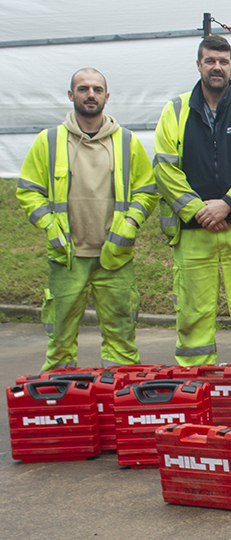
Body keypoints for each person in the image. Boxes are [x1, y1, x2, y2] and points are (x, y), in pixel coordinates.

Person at [17, 68, 158, 371]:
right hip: (67, 258)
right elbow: (29, 190)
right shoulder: (49, 141)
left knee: (122, 342)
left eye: (96, 89)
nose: (90, 95)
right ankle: (62, 407)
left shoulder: (127, 142)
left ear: (107, 97)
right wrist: (50, 227)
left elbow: (146, 191)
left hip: (115, 259)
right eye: (83, 89)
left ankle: (119, 403)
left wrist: (129, 225)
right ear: (71, 95)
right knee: (60, 344)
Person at [153, 35, 231, 366]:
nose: (217, 67)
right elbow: (164, 169)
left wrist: (227, 205)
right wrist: (198, 210)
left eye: (223, 61)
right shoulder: (174, 110)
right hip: (193, 233)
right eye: (210, 61)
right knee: (193, 316)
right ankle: (196, 388)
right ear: (199, 65)